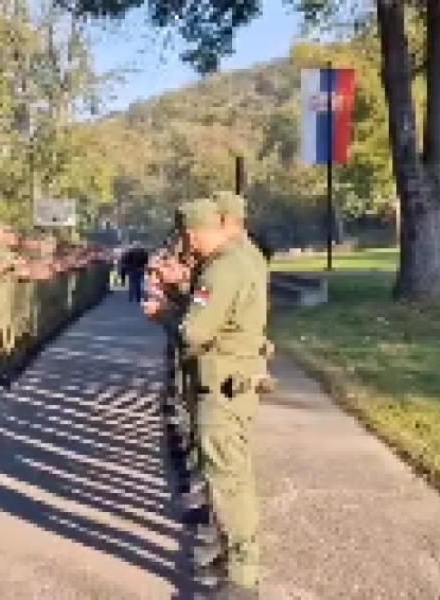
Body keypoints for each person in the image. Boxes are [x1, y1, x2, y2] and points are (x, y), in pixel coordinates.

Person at [142, 193, 271, 599]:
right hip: (228, 382)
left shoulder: (223, 269)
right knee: (227, 478)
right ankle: (233, 561)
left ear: (198, 232)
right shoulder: (231, 262)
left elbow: (195, 333)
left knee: (230, 483)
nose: (187, 244)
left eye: (188, 235)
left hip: (222, 386)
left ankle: (242, 578)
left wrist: (164, 312)